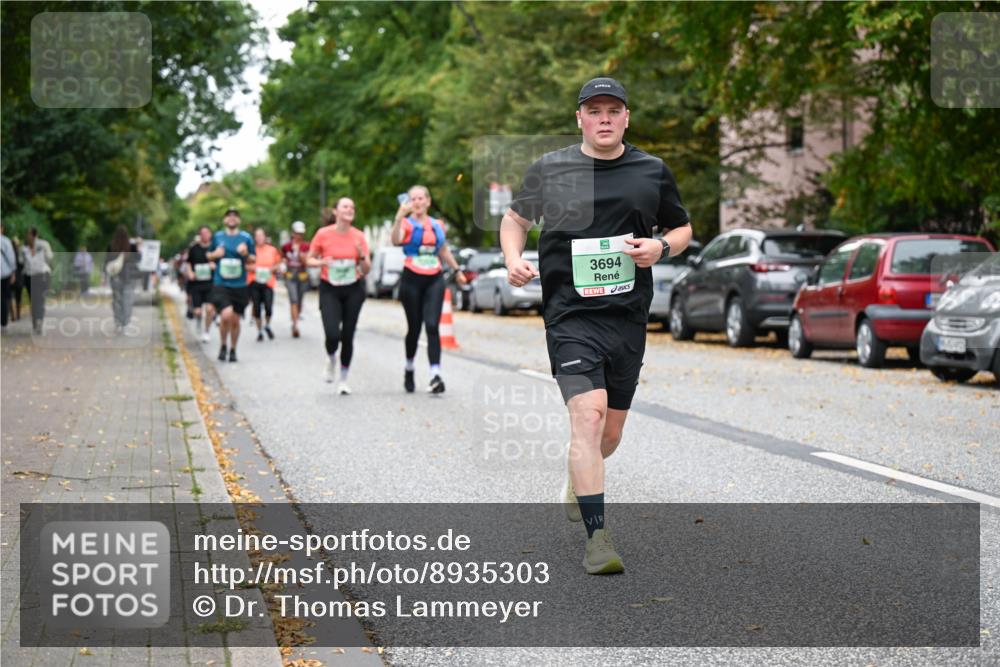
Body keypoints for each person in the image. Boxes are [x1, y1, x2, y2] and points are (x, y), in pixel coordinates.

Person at [500, 77, 692, 574]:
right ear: (579, 118)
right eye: (594, 110)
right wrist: (512, 259)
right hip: (570, 315)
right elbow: (516, 219)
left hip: (627, 316)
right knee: (587, 417)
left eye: (613, 110)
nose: (604, 118)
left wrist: (662, 248)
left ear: (626, 117)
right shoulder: (552, 168)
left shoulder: (651, 171)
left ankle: (579, 476)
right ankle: (598, 538)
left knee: (609, 434)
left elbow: (681, 227)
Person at [390, 185, 467, 394]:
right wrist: (398, 218)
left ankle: (435, 374)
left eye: (421, 198)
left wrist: (457, 269)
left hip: (434, 278)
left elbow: (442, 249)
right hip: (411, 279)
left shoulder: (437, 225)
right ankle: (409, 367)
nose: (417, 202)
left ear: (428, 201)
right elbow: (396, 240)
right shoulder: (405, 223)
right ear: (409, 203)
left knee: (432, 326)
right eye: (413, 199)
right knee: (414, 329)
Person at [307, 197, 371, 395]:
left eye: (352, 206)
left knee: (348, 334)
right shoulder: (323, 234)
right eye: (345, 206)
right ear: (336, 211)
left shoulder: (359, 236)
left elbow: (366, 269)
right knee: (333, 333)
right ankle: (331, 357)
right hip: (330, 288)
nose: (350, 209)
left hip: (353, 288)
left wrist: (361, 256)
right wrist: (321, 263)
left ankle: (343, 379)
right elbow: (309, 259)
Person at [207, 209, 255, 362]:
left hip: (239, 284)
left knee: (235, 320)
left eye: (235, 216)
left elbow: (253, 259)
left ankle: (233, 348)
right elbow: (208, 255)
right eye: (229, 216)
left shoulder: (246, 238)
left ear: (239, 220)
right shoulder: (218, 237)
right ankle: (222, 344)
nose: (232, 218)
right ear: (224, 220)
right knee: (226, 315)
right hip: (221, 282)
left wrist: (245, 254)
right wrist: (215, 255)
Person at [248, 227, 280, 342]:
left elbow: (278, 265)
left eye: (261, 235)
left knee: (268, 307)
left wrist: (272, 269)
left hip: (268, 282)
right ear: (255, 238)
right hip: (254, 282)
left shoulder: (272, 250)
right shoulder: (251, 250)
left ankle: (267, 325)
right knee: (256, 308)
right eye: (257, 236)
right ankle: (259, 331)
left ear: (265, 237)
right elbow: (245, 266)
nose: (259, 238)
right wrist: (253, 268)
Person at [105, 225, 140, 333]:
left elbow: (107, 262)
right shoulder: (131, 246)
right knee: (127, 300)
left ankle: (118, 321)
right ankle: (125, 322)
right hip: (129, 277)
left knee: (117, 300)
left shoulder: (111, 246)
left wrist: (105, 275)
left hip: (116, 277)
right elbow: (138, 259)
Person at [185, 226, 216, 343]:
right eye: (202, 233)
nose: (205, 235)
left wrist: (215, 267)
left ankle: (207, 331)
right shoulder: (194, 249)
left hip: (210, 283)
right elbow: (188, 263)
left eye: (207, 233)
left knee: (209, 309)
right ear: (200, 235)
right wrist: (190, 272)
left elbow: (220, 262)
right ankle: (198, 320)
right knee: (198, 311)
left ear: (210, 234)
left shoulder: (214, 248)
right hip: (197, 284)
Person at [21, 227, 54, 334]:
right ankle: (36, 322)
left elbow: (50, 257)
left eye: (29, 234)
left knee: (39, 300)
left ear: (34, 235)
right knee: (35, 300)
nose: (28, 236)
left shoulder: (42, 245)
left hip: (39, 275)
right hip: (33, 275)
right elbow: (21, 261)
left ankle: (39, 321)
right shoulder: (25, 248)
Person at [281, 220, 311, 338]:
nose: (298, 235)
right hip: (290, 276)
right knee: (293, 299)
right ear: (292, 233)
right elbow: (282, 259)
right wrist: (283, 264)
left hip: (302, 275)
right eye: (296, 233)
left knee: (299, 300)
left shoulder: (306, 246)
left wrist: (300, 254)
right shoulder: (286, 247)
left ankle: (296, 316)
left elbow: (307, 262)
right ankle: (295, 325)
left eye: (301, 233)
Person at [1, 224, 15, 333]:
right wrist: (13, 272)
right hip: (5, 273)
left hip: (4, 272)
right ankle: (4, 323)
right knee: (4, 298)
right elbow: (11, 257)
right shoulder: (5, 241)